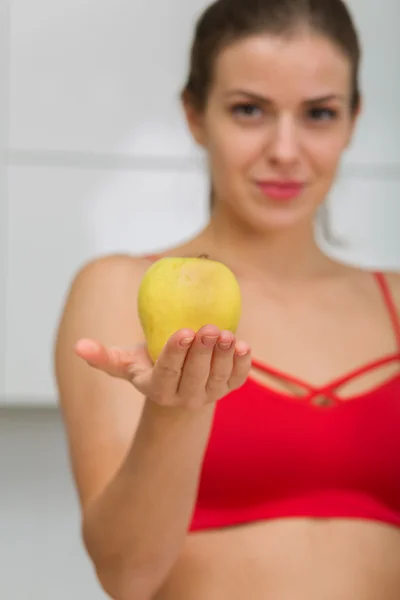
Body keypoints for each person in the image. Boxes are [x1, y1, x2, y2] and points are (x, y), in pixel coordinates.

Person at [54, 0, 400, 598]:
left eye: (319, 113)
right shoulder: (118, 288)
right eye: (249, 110)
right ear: (195, 115)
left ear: (352, 120)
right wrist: (175, 408)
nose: (286, 151)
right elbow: (125, 576)